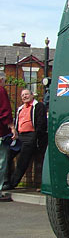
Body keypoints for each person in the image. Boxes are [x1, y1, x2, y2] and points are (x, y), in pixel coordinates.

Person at [6, 89, 47, 189]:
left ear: (32, 95)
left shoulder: (38, 106)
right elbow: (17, 122)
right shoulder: (20, 109)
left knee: (23, 160)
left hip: (31, 136)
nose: (24, 96)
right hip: (20, 136)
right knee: (7, 155)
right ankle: (5, 180)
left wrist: (36, 137)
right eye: (23, 95)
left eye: (27, 94)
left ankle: (12, 183)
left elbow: (41, 123)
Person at [0, 72, 17, 201]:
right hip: (1, 132)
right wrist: (12, 127)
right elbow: (5, 111)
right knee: (1, 162)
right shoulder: (1, 90)